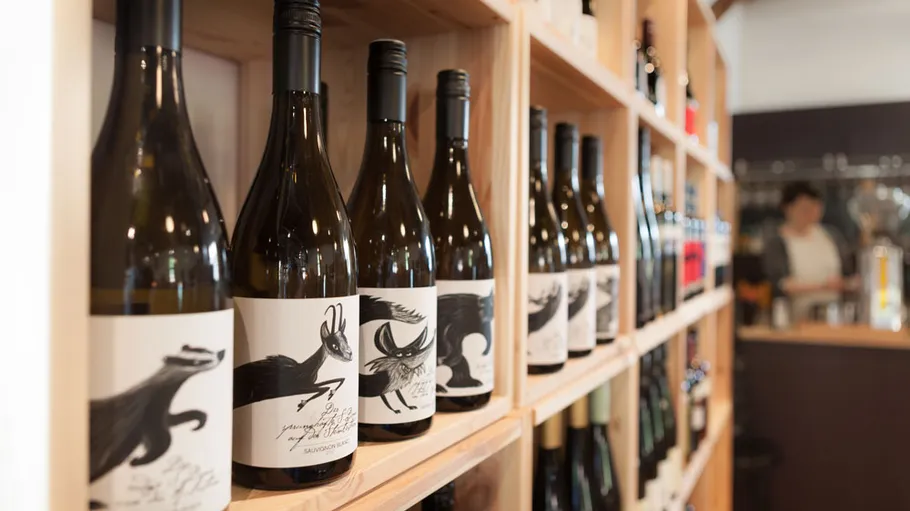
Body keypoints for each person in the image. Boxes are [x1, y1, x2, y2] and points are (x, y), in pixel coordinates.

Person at [762, 181, 856, 321]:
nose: (811, 213)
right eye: (805, 208)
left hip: (834, 314)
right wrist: (822, 286)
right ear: (788, 208)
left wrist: (847, 284)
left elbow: (850, 274)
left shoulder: (831, 235)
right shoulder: (777, 242)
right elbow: (781, 284)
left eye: (816, 208)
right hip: (796, 317)